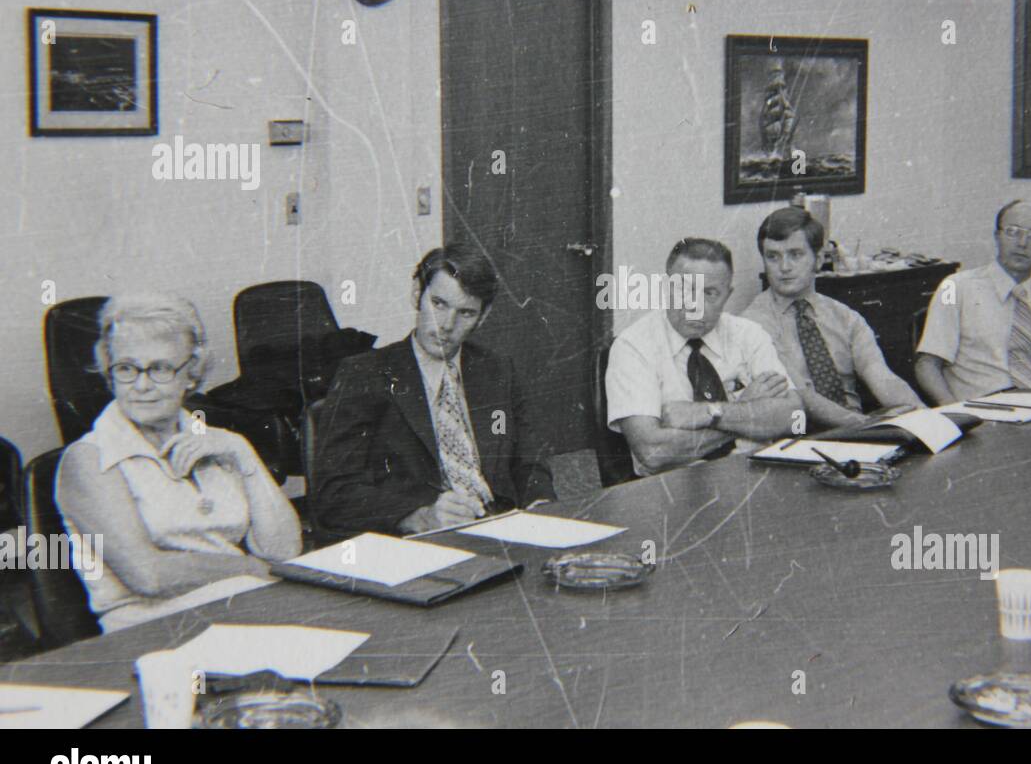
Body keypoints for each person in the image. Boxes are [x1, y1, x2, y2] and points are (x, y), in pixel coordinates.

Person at [55, 294, 302, 633]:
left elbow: (284, 550)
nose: (141, 386)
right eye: (126, 368)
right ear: (109, 374)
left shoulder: (214, 441)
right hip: (154, 630)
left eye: (159, 369)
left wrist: (242, 452)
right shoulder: (89, 459)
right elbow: (149, 575)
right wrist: (249, 568)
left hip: (242, 607)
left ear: (191, 374)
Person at [313, 245, 555, 536]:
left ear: (483, 316)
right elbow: (334, 494)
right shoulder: (364, 375)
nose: (447, 325)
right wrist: (418, 516)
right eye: (438, 304)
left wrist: (541, 503)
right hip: (424, 539)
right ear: (417, 293)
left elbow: (527, 458)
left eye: (465, 313)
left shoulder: (497, 371)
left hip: (500, 529)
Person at [605, 237, 802, 476]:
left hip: (757, 474)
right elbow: (653, 453)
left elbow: (794, 418)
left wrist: (707, 413)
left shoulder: (748, 334)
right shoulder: (634, 346)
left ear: (727, 295)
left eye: (710, 293)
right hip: (677, 487)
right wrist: (745, 410)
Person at [742, 207, 922, 431]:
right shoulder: (753, 325)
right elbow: (802, 396)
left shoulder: (845, 317)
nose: (784, 267)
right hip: (800, 438)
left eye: (795, 254)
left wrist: (924, 418)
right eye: (773, 257)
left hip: (858, 430)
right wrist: (866, 426)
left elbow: (883, 378)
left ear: (818, 259)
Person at [915, 201, 1031, 404]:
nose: (1022, 243)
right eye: (1013, 232)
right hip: (982, 408)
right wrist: (956, 414)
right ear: (997, 237)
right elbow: (927, 365)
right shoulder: (955, 287)